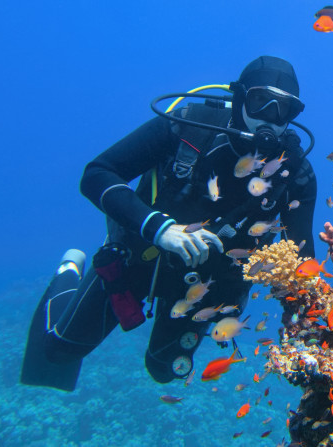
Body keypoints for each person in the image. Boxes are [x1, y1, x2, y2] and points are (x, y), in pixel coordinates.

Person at [21, 55, 316, 391]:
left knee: (163, 370)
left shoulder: (294, 173)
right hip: (140, 256)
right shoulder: (188, 125)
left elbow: (302, 255)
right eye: (261, 101)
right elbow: (98, 174)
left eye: (285, 110)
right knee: (59, 352)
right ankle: (68, 271)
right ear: (239, 96)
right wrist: (159, 228)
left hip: (208, 284)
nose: (272, 119)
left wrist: (303, 323)